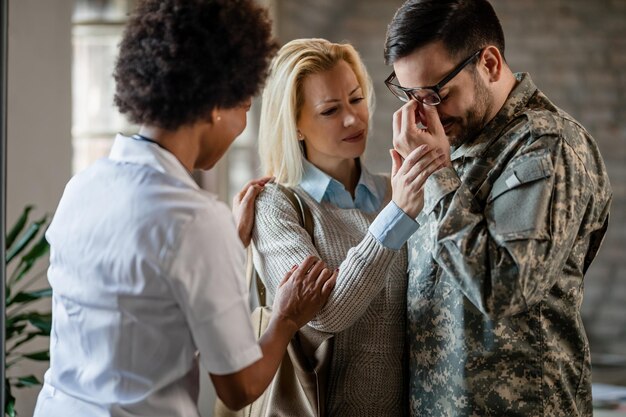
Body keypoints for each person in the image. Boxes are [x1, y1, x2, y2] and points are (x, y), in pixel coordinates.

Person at [33, 1, 337, 416]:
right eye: (245, 107)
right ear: (216, 102)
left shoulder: (83, 187)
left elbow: (143, 306)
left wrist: (225, 242)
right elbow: (239, 386)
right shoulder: (195, 219)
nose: (244, 124)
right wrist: (285, 316)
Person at [381, 0, 612, 416]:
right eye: (410, 95)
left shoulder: (548, 145)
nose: (423, 113)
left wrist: (434, 173)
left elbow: (501, 287)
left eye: (437, 93)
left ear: (488, 63)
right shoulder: (453, 149)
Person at [251, 38, 445, 417]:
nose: (353, 119)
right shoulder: (277, 205)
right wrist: (397, 215)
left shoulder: (396, 189)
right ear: (295, 125)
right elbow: (323, 317)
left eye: (356, 99)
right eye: (330, 110)